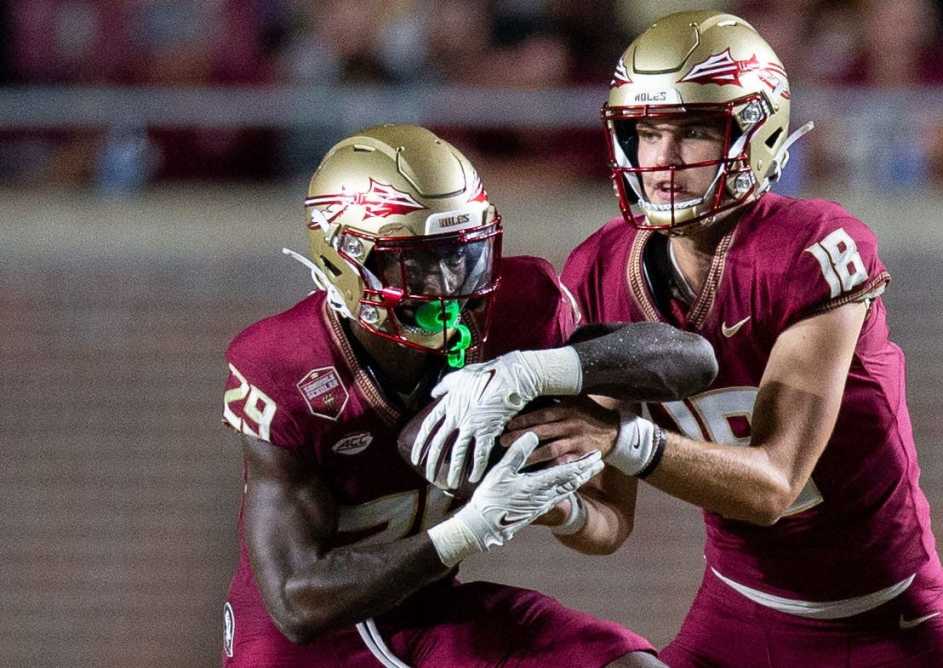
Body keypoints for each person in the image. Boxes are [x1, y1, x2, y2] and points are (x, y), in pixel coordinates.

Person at [423, 11, 943, 667]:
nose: (661, 159)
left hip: (887, 621)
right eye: (645, 132)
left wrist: (620, 439)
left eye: (692, 131)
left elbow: (775, 483)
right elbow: (610, 522)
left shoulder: (812, 248)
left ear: (760, 132)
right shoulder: (604, 270)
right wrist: (537, 495)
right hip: (736, 614)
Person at [219, 124, 716, 667]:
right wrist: (470, 529)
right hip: (311, 643)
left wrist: (533, 370)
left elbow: (692, 360)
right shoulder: (285, 365)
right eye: (417, 260)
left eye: (462, 254)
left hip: (431, 609)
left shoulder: (519, 310)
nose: (449, 282)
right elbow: (297, 601)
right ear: (346, 260)